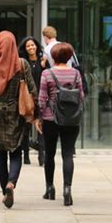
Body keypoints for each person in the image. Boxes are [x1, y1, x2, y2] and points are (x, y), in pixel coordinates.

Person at [0, 30, 39, 209]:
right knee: (15, 151)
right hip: (16, 112)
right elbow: (33, 90)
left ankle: (5, 192)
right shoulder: (22, 63)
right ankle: (11, 183)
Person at [38, 42, 84, 206]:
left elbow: (42, 99)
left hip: (51, 119)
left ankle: (50, 189)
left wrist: (39, 118)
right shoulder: (76, 74)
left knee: (49, 154)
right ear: (69, 57)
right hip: (71, 120)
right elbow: (81, 96)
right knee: (67, 154)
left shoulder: (46, 74)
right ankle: (67, 190)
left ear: (54, 57)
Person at [18, 36, 49, 166]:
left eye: (33, 45)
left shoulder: (43, 61)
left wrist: (44, 66)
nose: (31, 47)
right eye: (28, 46)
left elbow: (49, 78)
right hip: (28, 98)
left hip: (41, 98)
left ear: (37, 46)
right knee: (26, 128)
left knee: (42, 127)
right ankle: (25, 154)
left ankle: (42, 154)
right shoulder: (23, 62)